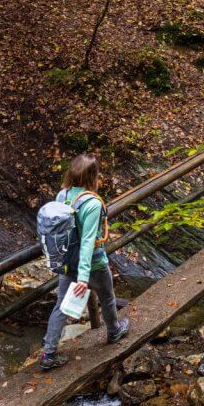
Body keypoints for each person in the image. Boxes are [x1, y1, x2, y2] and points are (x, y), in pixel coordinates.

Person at [40, 152, 129, 370]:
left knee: (60, 306)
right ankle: (114, 330)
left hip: (67, 260)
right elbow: (88, 241)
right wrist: (83, 277)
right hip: (93, 264)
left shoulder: (63, 195)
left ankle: (48, 354)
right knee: (107, 297)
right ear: (93, 176)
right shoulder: (92, 203)